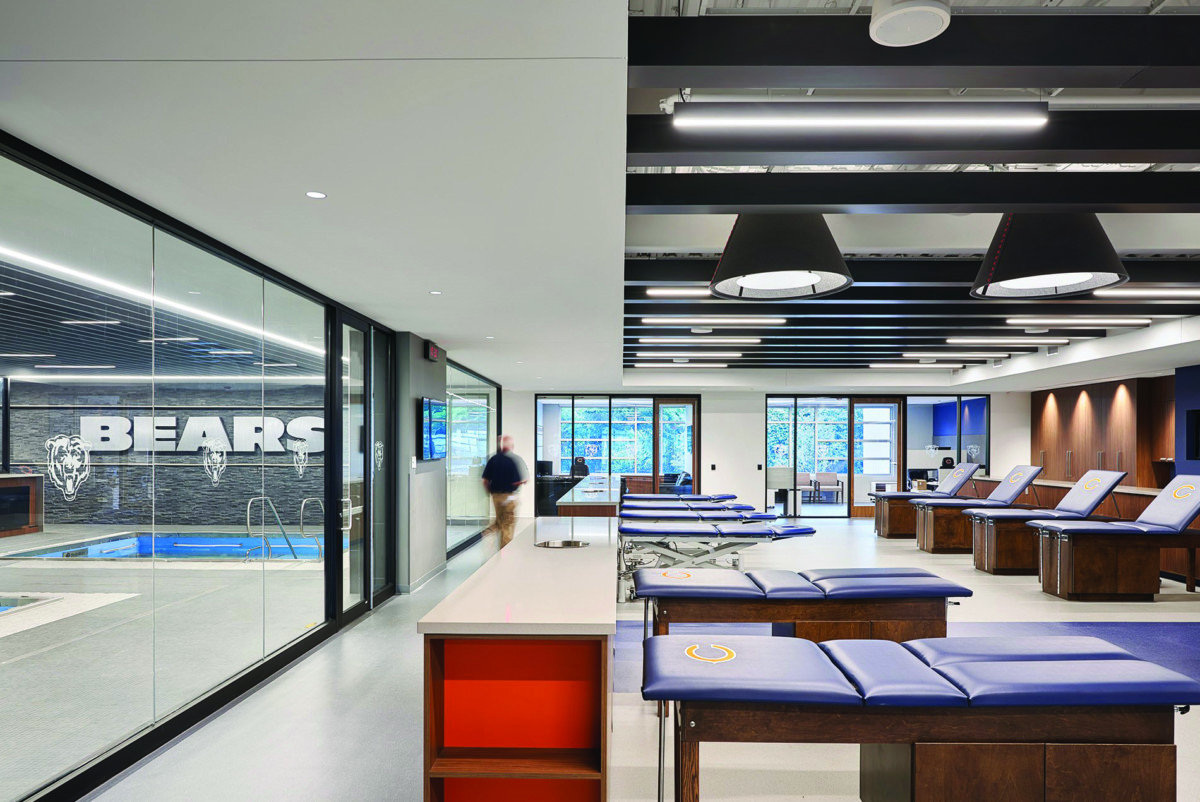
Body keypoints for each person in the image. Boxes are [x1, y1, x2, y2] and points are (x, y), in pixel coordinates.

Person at [481, 434, 528, 547]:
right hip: (508, 496)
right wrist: (522, 482)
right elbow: (515, 482)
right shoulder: (512, 461)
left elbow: (485, 481)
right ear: (511, 446)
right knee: (508, 523)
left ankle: (488, 532)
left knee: (500, 520)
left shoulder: (493, 460)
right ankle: (505, 550)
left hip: (496, 496)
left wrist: (491, 493)